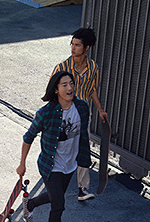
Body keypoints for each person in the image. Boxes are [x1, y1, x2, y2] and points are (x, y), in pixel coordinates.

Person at [17, 71, 91, 222]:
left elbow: (83, 136)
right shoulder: (46, 113)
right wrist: (22, 164)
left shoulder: (82, 108)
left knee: (52, 196)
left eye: (71, 84)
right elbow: (28, 137)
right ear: (56, 89)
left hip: (70, 165)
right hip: (51, 166)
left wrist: (84, 162)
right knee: (58, 204)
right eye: (64, 85)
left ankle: (30, 203)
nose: (69, 88)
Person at [52, 27, 107, 202]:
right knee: (61, 148)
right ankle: (54, 178)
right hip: (64, 115)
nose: (73, 48)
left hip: (83, 115)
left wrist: (99, 109)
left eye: (77, 45)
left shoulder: (93, 68)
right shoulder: (62, 68)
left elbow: (92, 90)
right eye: (72, 44)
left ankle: (83, 188)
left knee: (83, 148)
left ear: (87, 47)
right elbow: (52, 91)